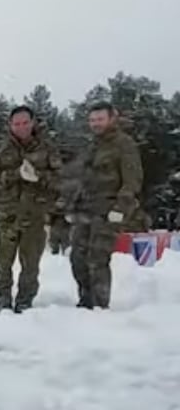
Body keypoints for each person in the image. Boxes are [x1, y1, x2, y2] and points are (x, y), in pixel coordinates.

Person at [0, 105, 62, 313]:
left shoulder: (47, 149)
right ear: (10, 125)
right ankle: (3, 301)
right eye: (17, 123)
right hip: (5, 215)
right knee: (3, 264)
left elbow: (60, 179)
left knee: (31, 265)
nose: (21, 127)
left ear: (33, 123)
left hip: (34, 215)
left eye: (25, 122)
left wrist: (39, 177)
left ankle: (25, 303)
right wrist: (14, 174)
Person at [63, 101, 145, 309]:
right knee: (77, 257)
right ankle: (86, 300)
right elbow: (82, 179)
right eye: (92, 120)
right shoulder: (92, 146)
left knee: (97, 257)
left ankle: (99, 306)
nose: (96, 124)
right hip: (86, 209)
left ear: (111, 119)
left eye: (100, 119)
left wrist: (120, 208)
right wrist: (71, 205)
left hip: (109, 210)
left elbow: (132, 180)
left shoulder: (124, 144)